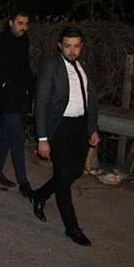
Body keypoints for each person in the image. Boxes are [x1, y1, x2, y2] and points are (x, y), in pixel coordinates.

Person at [30, 27, 100, 246]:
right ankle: (72, 228)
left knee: (75, 171)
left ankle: (39, 195)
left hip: (80, 125)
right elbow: (41, 103)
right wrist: (42, 138)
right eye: (68, 46)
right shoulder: (50, 66)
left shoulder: (83, 66)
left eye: (76, 46)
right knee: (62, 176)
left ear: (82, 47)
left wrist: (92, 128)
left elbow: (91, 98)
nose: (72, 50)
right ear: (60, 45)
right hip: (59, 126)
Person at [0, 10, 33, 197]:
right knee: (18, 138)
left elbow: (25, 67)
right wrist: (3, 83)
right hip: (6, 99)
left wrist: (29, 91)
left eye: (26, 24)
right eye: (20, 23)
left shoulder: (24, 40)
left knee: (7, 136)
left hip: (21, 97)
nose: (24, 27)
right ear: (11, 22)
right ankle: (23, 182)